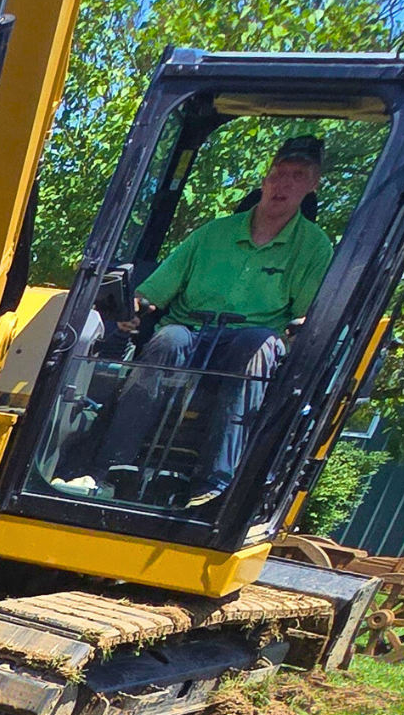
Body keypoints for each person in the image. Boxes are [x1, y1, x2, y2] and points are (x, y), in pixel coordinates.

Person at [62, 136, 333, 509]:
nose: (283, 184)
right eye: (277, 174)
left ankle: (215, 485)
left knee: (258, 346)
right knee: (167, 339)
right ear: (264, 181)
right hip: (191, 331)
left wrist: (303, 326)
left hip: (245, 342)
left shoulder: (314, 247)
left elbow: (306, 314)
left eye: (296, 176)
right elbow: (155, 291)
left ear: (312, 185)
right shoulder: (212, 233)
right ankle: (109, 469)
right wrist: (135, 307)